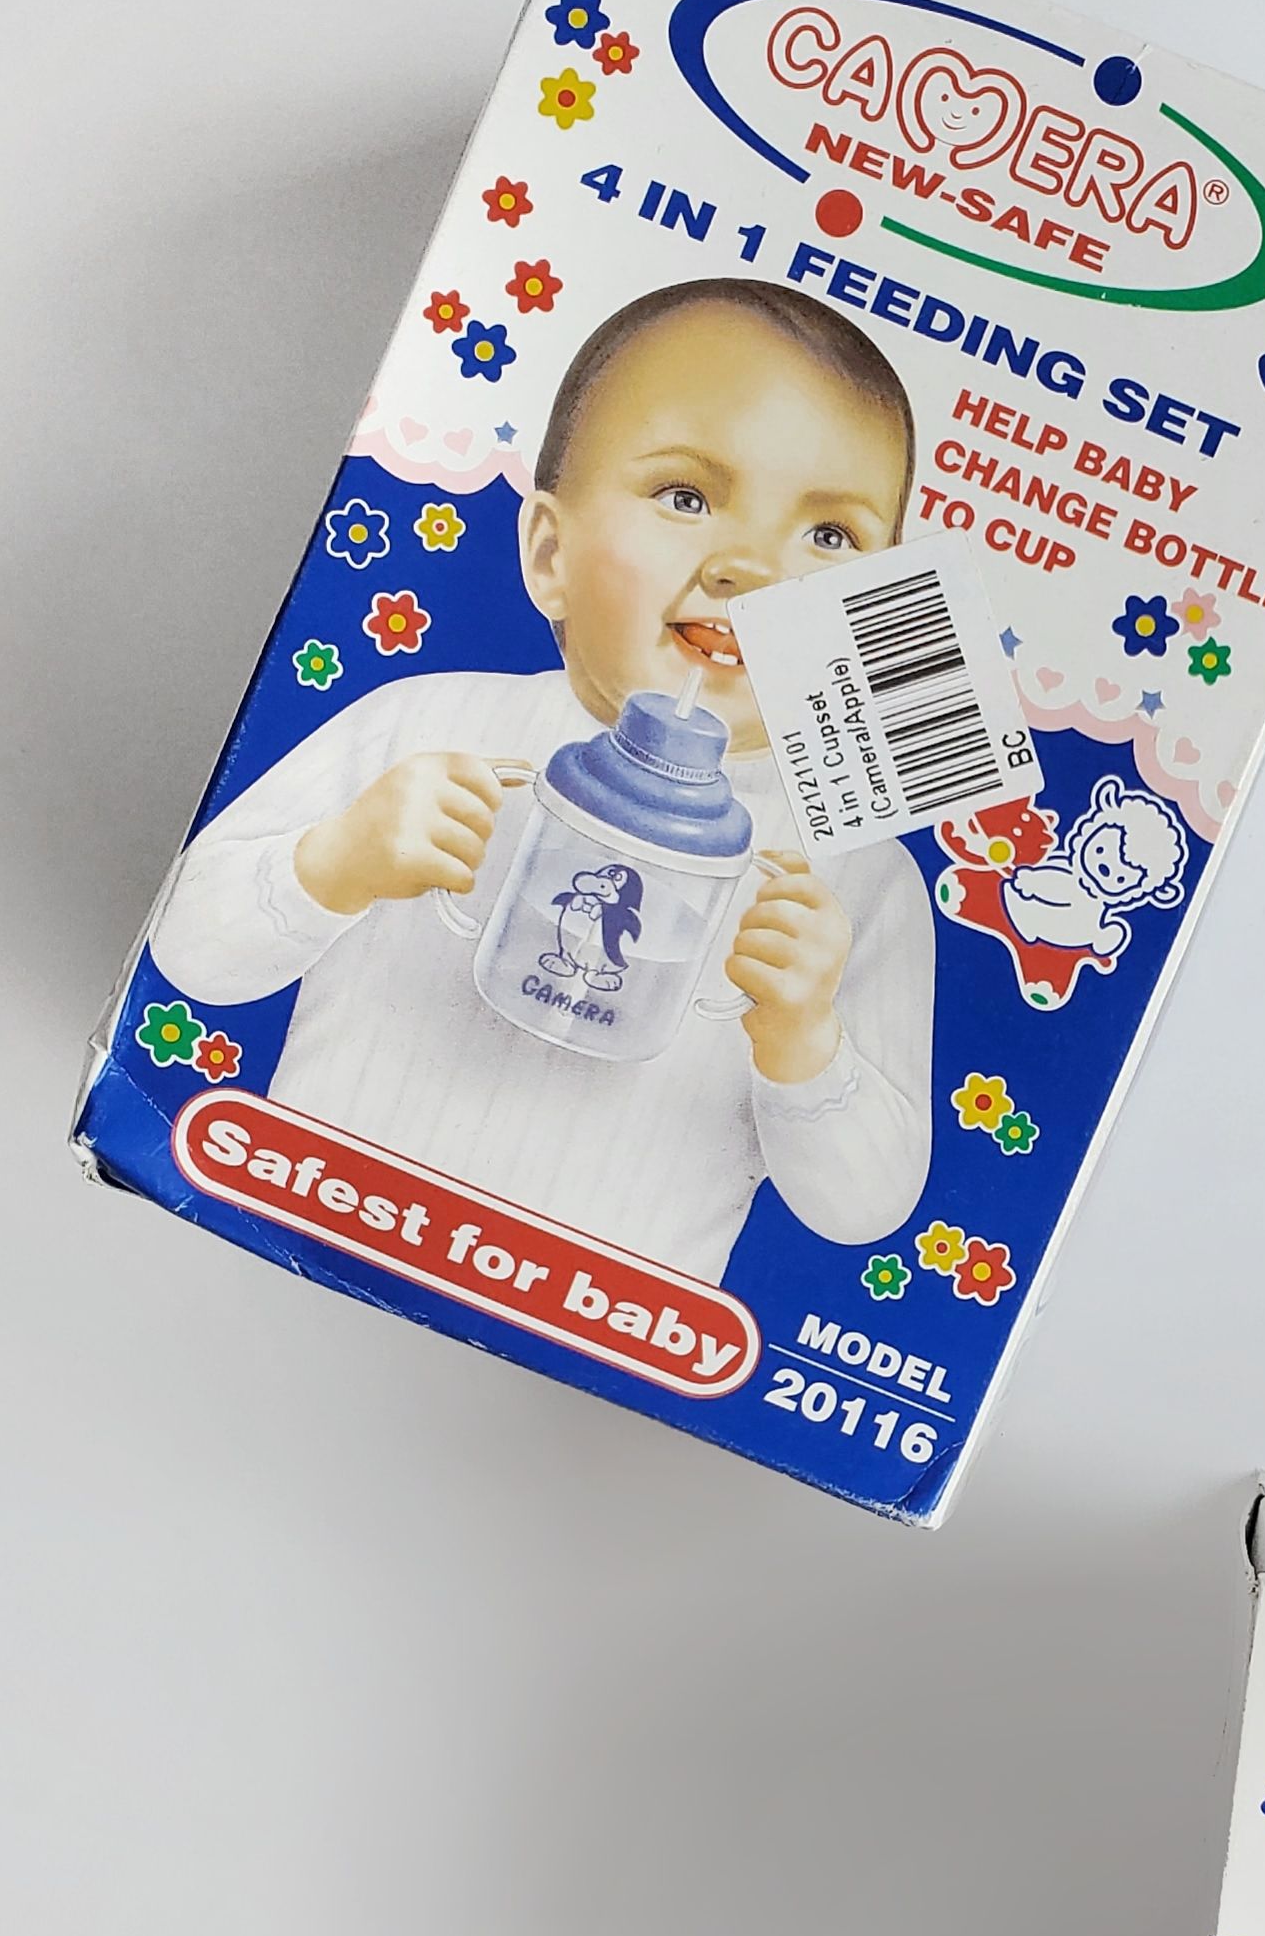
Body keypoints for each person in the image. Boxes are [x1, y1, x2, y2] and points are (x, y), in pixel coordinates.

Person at [146, 276, 934, 1281]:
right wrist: (332, 863)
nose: (751, 567)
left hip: (599, 1310)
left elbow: (866, 1209)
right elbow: (184, 952)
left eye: (829, 537)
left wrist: (803, 1041)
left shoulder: (854, 879)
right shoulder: (424, 727)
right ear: (550, 553)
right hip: (313, 1215)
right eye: (686, 497)